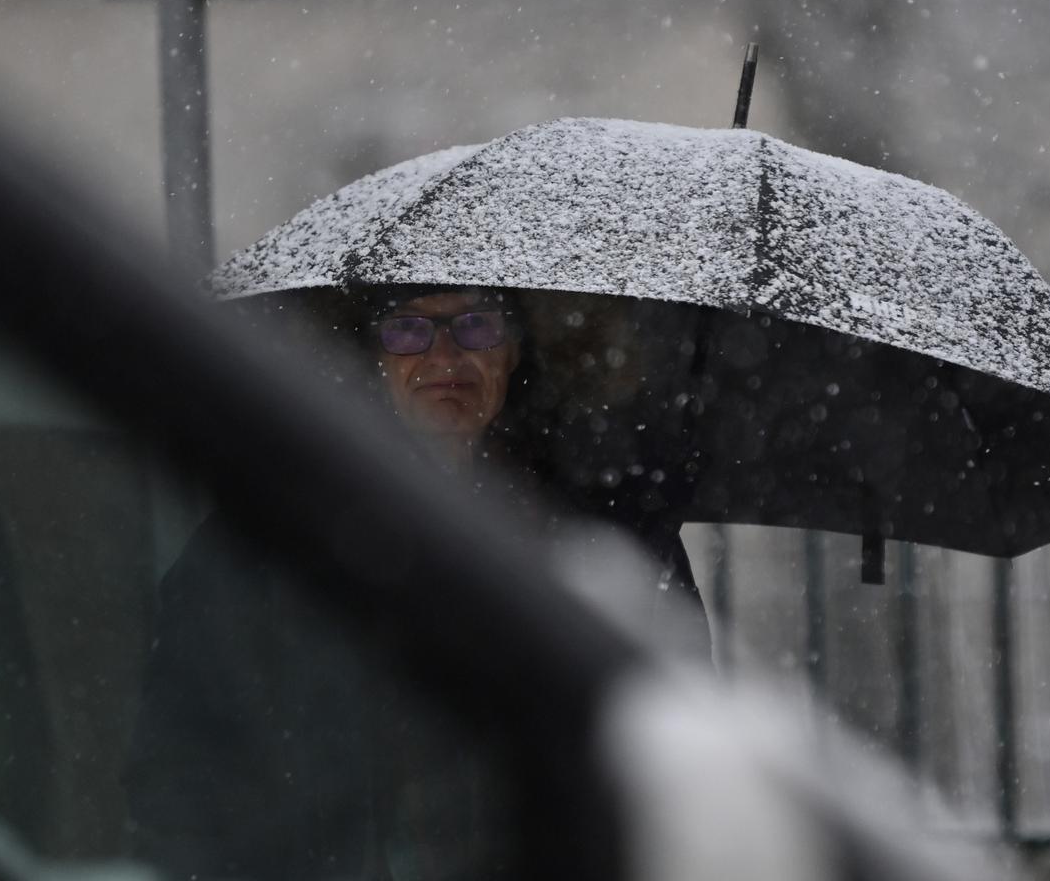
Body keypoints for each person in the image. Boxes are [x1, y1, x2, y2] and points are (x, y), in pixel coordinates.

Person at [125, 286, 707, 880]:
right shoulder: (264, 543)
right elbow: (178, 780)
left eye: (477, 326)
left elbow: (683, 754)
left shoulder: (600, 543)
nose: (445, 356)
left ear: (513, 352)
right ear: (368, 356)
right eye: (407, 330)